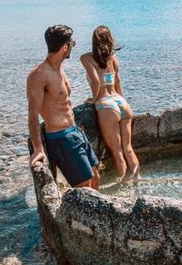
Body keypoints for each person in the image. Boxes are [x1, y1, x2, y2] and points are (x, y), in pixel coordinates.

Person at [27, 24, 100, 189]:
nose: (72, 48)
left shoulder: (60, 70)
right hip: (61, 138)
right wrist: (38, 148)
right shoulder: (38, 75)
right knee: (84, 188)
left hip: (75, 132)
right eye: (72, 44)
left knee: (95, 178)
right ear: (65, 47)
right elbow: (33, 114)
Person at [80, 25, 139, 181]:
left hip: (106, 104)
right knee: (128, 147)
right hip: (121, 102)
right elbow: (118, 81)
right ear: (110, 39)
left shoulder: (86, 58)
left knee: (117, 150)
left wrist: (93, 99)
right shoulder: (114, 58)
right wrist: (123, 102)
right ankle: (137, 177)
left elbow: (95, 81)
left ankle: (122, 183)